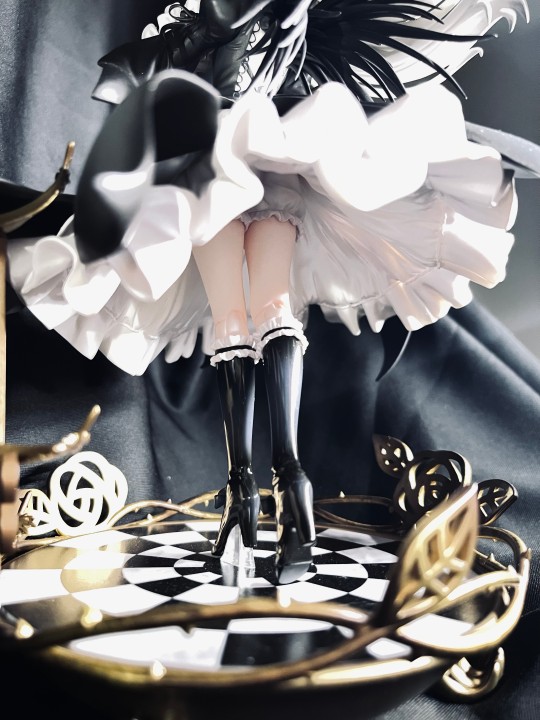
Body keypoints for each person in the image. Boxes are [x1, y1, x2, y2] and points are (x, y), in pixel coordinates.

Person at [6, 0, 526, 582]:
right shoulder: (255, 31)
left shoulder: (240, 32)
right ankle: (290, 474)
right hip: (271, 171)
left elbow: (146, 89)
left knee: (234, 320)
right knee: (272, 311)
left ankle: (241, 492)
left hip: (216, 173)